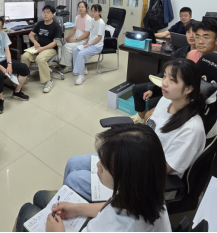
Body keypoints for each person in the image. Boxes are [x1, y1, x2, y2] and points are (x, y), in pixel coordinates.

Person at [63, 59, 206, 202]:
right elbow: (148, 127)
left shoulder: (192, 129)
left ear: (188, 89)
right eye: (164, 76)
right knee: (73, 162)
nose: (164, 83)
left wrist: (125, 162)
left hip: (147, 180)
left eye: (172, 80)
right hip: (136, 156)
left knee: (75, 179)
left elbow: (164, 168)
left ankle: (77, 211)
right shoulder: (167, 100)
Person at [14, 124, 172, 232]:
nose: (98, 165)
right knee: (40, 196)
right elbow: (112, 206)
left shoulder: (119, 227)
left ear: (125, 179)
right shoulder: (146, 193)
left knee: (27, 210)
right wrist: (78, 208)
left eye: (105, 166)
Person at [130, 22, 197, 124]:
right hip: (167, 83)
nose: (191, 35)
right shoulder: (180, 51)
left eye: (194, 32)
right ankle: (141, 116)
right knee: (137, 89)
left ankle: (154, 120)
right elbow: (165, 71)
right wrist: (151, 88)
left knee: (152, 102)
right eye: (188, 32)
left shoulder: (201, 57)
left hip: (178, 90)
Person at [21, 5, 63, 93]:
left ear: (53, 14)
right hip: (38, 47)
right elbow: (31, 35)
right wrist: (35, 42)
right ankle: (24, 77)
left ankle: (48, 81)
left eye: (48, 12)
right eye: (44, 12)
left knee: (40, 59)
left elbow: (55, 42)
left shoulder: (56, 26)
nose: (45, 14)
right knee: (24, 56)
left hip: (50, 48)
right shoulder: (40, 24)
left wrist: (42, 48)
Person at [73, 4, 105, 86]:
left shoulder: (101, 23)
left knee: (81, 54)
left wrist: (89, 44)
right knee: (75, 50)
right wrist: (86, 42)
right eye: (92, 11)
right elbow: (91, 33)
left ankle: (81, 76)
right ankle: (82, 69)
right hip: (89, 43)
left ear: (100, 12)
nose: (92, 13)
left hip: (97, 46)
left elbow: (99, 38)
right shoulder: (92, 20)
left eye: (95, 11)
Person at [60, 1, 92, 73]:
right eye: (79, 7)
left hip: (83, 42)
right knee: (63, 44)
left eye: (82, 7)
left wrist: (74, 40)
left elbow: (86, 34)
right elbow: (74, 29)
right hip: (77, 39)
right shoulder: (77, 17)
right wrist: (68, 37)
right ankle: (65, 63)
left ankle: (69, 66)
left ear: (86, 8)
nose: (80, 8)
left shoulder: (88, 19)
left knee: (66, 46)